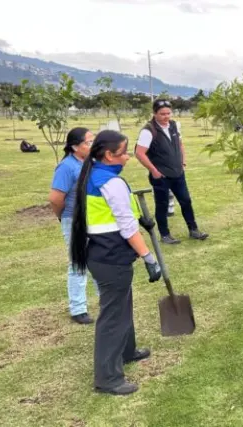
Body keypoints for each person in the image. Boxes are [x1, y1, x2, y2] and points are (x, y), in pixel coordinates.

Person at [69, 130, 163, 396]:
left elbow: (117, 212)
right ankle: (108, 378)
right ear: (109, 155)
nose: (128, 157)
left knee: (123, 304)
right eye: (123, 152)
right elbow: (126, 227)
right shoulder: (111, 182)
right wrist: (149, 257)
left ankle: (127, 350)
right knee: (113, 316)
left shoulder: (94, 175)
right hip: (111, 256)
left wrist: (141, 218)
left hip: (100, 252)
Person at [135, 99, 208, 244]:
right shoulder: (148, 131)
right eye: (162, 114)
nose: (166, 116)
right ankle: (165, 235)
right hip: (160, 176)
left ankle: (194, 230)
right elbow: (139, 153)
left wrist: (183, 161)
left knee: (186, 201)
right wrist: (154, 171)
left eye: (168, 113)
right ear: (154, 113)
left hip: (178, 173)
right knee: (162, 205)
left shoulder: (174, 125)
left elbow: (179, 144)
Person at [48, 127, 98, 324]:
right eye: (88, 142)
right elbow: (55, 199)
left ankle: (106, 299)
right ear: (75, 147)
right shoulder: (66, 167)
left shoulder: (90, 162)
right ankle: (78, 308)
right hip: (74, 219)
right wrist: (63, 217)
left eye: (93, 141)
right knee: (78, 262)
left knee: (97, 258)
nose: (92, 145)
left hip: (92, 217)